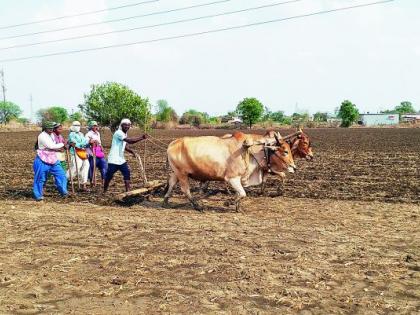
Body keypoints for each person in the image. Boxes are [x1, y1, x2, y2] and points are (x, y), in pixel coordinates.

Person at [103, 119, 147, 193]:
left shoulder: (124, 134)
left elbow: (125, 146)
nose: (127, 126)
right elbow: (130, 141)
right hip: (113, 159)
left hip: (121, 159)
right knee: (109, 176)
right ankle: (104, 190)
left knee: (127, 173)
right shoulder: (118, 133)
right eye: (125, 125)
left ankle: (128, 192)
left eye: (128, 125)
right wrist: (142, 138)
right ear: (121, 125)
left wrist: (132, 152)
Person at [33, 121, 68, 201]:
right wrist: (63, 144)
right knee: (40, 178)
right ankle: (38, 195)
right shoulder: (42, 136)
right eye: (49, 128)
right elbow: (51, 146)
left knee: (61, 175)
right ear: (45, 128)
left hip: (52, 158)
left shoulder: (51, 135)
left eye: (52, 128)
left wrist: (61, 146)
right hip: (42, 159)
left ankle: (64, 191)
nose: (51, 129)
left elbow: (54, 145)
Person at [67, 121, 90, 191]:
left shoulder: (81, 134)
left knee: (86, 166)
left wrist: (81, 144)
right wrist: (81, 144)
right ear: (73, 126)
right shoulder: (71, 134)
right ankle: (65, 179)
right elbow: (75, 144)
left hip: (82, 152)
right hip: (75, 152)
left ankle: (84, 184)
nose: (78, 127)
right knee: (76, 167)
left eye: (79, 125)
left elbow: (85, 142)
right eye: (76, 125)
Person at [85, 120, 107, 186]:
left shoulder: (98, 133)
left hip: (99, 152)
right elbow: (86, 143)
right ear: (91, 127)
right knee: (92, 168)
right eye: (94, 126)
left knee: (104, 166)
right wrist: (91, 142)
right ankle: (92, 181)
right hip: (92, 153)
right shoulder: (88, 134)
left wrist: (101, 147)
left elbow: (99, 143)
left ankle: (104, 181)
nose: (96, 127)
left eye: (96, 125)